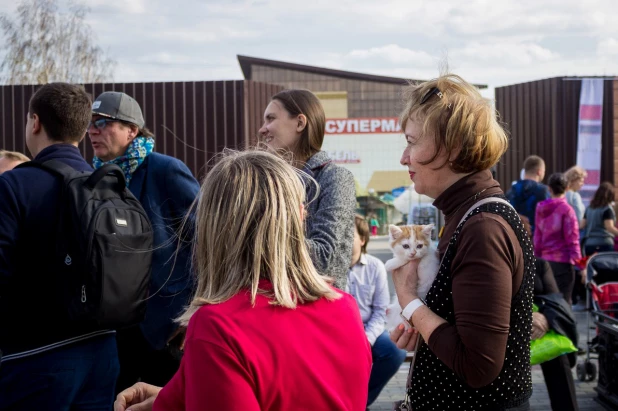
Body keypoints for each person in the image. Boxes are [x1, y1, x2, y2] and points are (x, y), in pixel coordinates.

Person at [114, 150, 372, 411]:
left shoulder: (217, 327)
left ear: (214, 228)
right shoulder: (346, 308)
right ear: (298, 219)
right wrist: (169, 398)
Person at [389, 74, 534, 410]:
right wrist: (424, 333)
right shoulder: (467, 214)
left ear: (451, 148)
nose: (404, 157)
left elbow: (478, 366)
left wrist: (410, 301)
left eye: (411, 142)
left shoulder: (482, 226)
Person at [0, 83, 119, 409]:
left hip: (33, 358)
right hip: (103, 353)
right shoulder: (109, 186)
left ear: (35, 122)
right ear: (82, 131)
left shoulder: (14, 185)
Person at [88, 91, 200, 392]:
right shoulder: (93, 178)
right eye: (90, 124)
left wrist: (196, 310)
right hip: (112, 328)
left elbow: (208, 240)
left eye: (102, 122)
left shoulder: (166, 170)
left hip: (166, 325)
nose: (93, 131)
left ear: (132, 130)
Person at [258, 89, 356, 289]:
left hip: (320, 312)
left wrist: (259, 234)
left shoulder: (335, 178)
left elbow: (323, 259)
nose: (262, 129)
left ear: (300, 123)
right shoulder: (269, 182)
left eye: (270, 119)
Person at [520, 215, 579, 411]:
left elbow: (556, 300)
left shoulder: (539, 264)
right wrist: (526, 317)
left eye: (524, 237)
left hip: (541, 328)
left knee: (557, 355)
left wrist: (544, 318)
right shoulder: (498, 266)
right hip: (513, 328)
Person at [347, 215, 406, 407]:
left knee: (394, 350)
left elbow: (380, 311)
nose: (344, 238)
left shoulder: (375, 267)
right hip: (341, 332)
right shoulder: (331, 266)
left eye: (350, 234)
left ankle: (361, 401)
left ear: (362, 239)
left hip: (370, 330)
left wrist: (364, 340)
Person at [533, 173, 581, 304]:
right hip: (563, 262)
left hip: (545, 261)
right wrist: (580, 264)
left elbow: (538, 236)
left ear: (549, 188)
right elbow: (573, 239)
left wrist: (536, 257)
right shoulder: (567, 210)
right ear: (567, 188)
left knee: (548, 302)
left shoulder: (541, 208)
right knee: (564, 302)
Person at [507, 155, 550, 235]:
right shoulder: (544, 191)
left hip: (515, 238)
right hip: (537, 240)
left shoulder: (512, 190)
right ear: (539, 172)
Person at [580, 182, 618, 256]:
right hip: (604, 243)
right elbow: (609, 227)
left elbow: (581, 225)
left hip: (589, 244)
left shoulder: (589, 208)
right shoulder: (607, 209)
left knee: (591, 266)